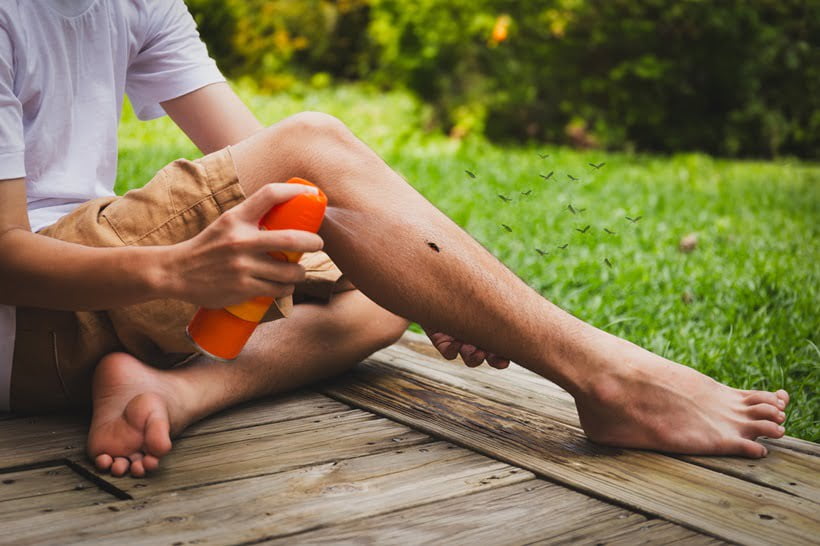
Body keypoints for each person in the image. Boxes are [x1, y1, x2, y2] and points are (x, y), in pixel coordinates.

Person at [0, 1, 789, 478]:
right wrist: (177, 271)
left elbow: (281, 184)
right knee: (316, 145)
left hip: (79, 327)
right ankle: (610, 380)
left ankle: (170, 390)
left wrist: (434, 286)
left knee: (381, 300)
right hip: (20, 328)